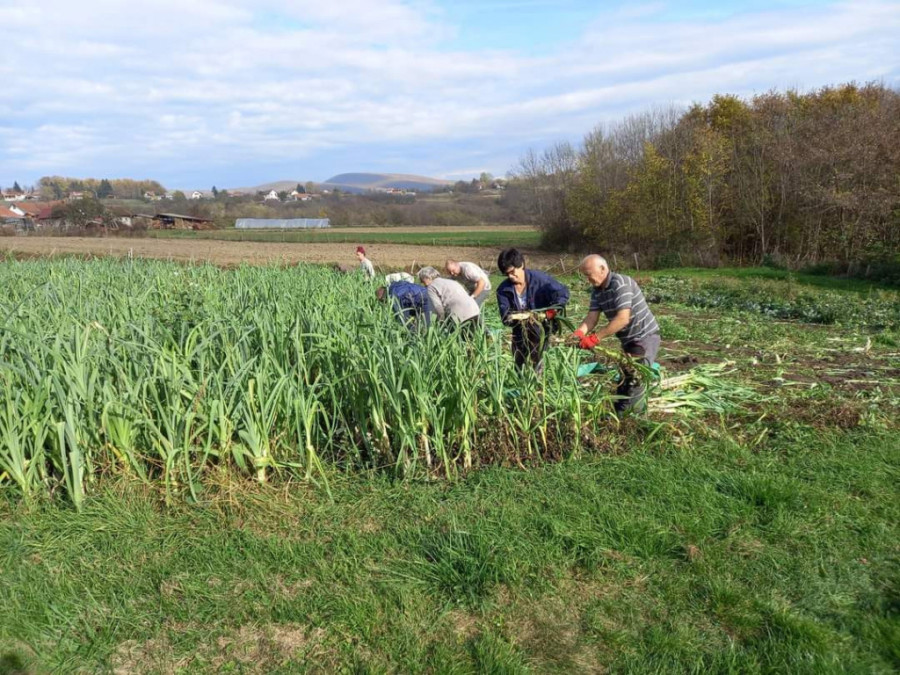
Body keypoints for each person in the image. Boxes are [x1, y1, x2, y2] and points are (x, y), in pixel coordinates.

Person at [572, 254, 661, 415]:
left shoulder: (620, 283)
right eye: (585, 276)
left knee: (635, 380)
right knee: (626, 378)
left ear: (602, 269)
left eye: (589, 275)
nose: (588, 279)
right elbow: (592, 317)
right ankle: (621, 414)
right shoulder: (597, 291)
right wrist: (579, 333)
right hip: (629, 340)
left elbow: (622, 319)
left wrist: (595, 338)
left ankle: (632, 419)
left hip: (644, 337)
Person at [495, 248, 569, 372]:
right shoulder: (503, 290)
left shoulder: (541, 280)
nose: (511, 277)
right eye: (507, 274)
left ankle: (537, 381)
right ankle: (521, 380)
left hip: (541, 328)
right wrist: (513, 317)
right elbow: (505, 316)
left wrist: (552, 310)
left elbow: (563, 293)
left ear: (521, 265)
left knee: (537, 361)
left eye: (512, 272)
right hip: (519, 330)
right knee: (519, 364)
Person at [417, 266, 480, 338]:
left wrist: (441, 323)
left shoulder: (431, 287)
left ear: (427, 278)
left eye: (422, 281)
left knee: (458, 340)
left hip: (460, 315)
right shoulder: (451, 281)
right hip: (475, 310)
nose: (422, 283)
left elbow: (438, 308)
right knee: (478, 337)